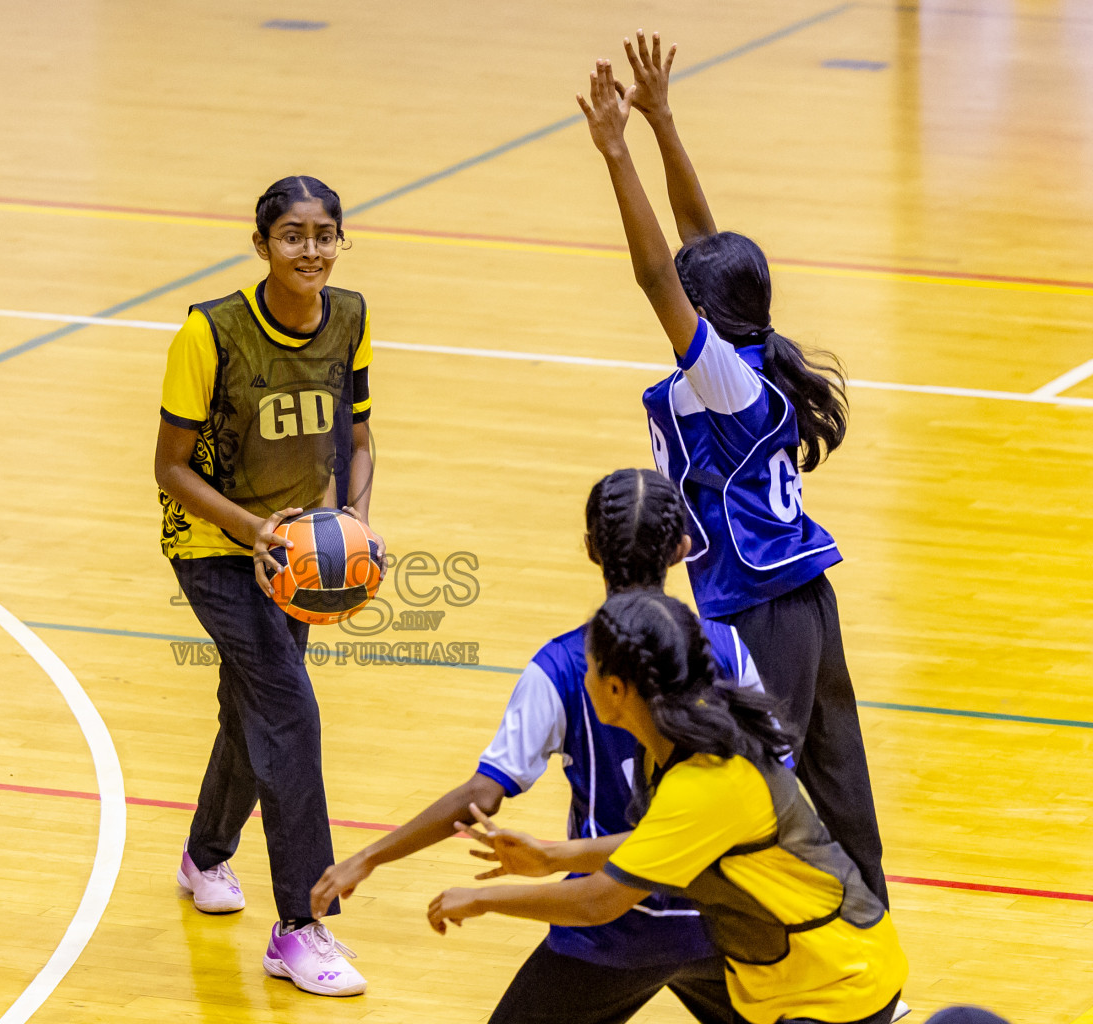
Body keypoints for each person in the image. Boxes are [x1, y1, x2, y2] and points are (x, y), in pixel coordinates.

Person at [579, 34, 888, 904]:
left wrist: (617, 153)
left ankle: (768, 932)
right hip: (804, 598)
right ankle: (867, 931)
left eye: (689, 298)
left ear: (705, 313)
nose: (678, 295)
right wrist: (665, 121)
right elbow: (702, 242)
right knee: (836, 774)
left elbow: (656, 271)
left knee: (755, 782)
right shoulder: (749, 348)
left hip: (758, 605)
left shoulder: (722, 383)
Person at [311, 468, 767, 1024]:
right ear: (681, 549)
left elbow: (481, 794)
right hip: (721, 924)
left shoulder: (566, 665)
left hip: (610, 930)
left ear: (591, 549)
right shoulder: (729, 648)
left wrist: (367, 857)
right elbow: (770, 782)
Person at [427, 591, 908, 1024]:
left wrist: (482, 899)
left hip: (838, 989)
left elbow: (599, 903)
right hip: (808, 979)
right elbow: (664, 840)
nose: (582, 673)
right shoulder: (681, 740)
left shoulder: (707, 778)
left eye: (589, 666)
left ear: (617, 689)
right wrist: (554, 857)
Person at [153, 174, 378, 997]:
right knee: (289, 708)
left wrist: (348, 520)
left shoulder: (349, 317)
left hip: (299, 552)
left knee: (251, 706)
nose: (310, 250)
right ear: (262, 246)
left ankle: (204, 855)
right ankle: (300, 925)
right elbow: (170, 468)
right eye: (292, 235)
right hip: (215, 547)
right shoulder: (208, 334)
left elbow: (356, 437)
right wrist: (261, 535)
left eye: (324, 234)